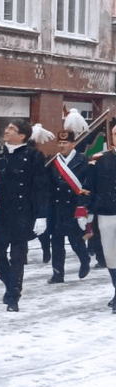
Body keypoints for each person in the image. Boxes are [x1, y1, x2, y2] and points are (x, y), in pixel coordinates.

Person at [0, 119, 50, 312]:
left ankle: (13, 296)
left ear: (22, 136)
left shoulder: (33, 156)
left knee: (17, 257)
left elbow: (41, 187)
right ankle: (10, 284)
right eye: (7, 127)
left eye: (12, 129)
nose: (6, 130)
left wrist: (41, 215)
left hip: (22, 214)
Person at [45, 130, 92, 283]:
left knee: (76, 241)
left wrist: (82, 207)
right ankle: (58, 274)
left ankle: (85, 261)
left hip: (74, 208)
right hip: (57, 208)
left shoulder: (83, 161)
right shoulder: (54, 161)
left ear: (73, 144)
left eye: (65, 143)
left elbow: (87, 186)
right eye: (60, 143)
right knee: (56, 242)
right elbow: (50, 185)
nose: (62, 145)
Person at [85, 123, 116, 313]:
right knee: (112, 258)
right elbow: (91, 187)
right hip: (107, 213)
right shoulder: (101, 160)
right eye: (114, 133)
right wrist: (87, 212)